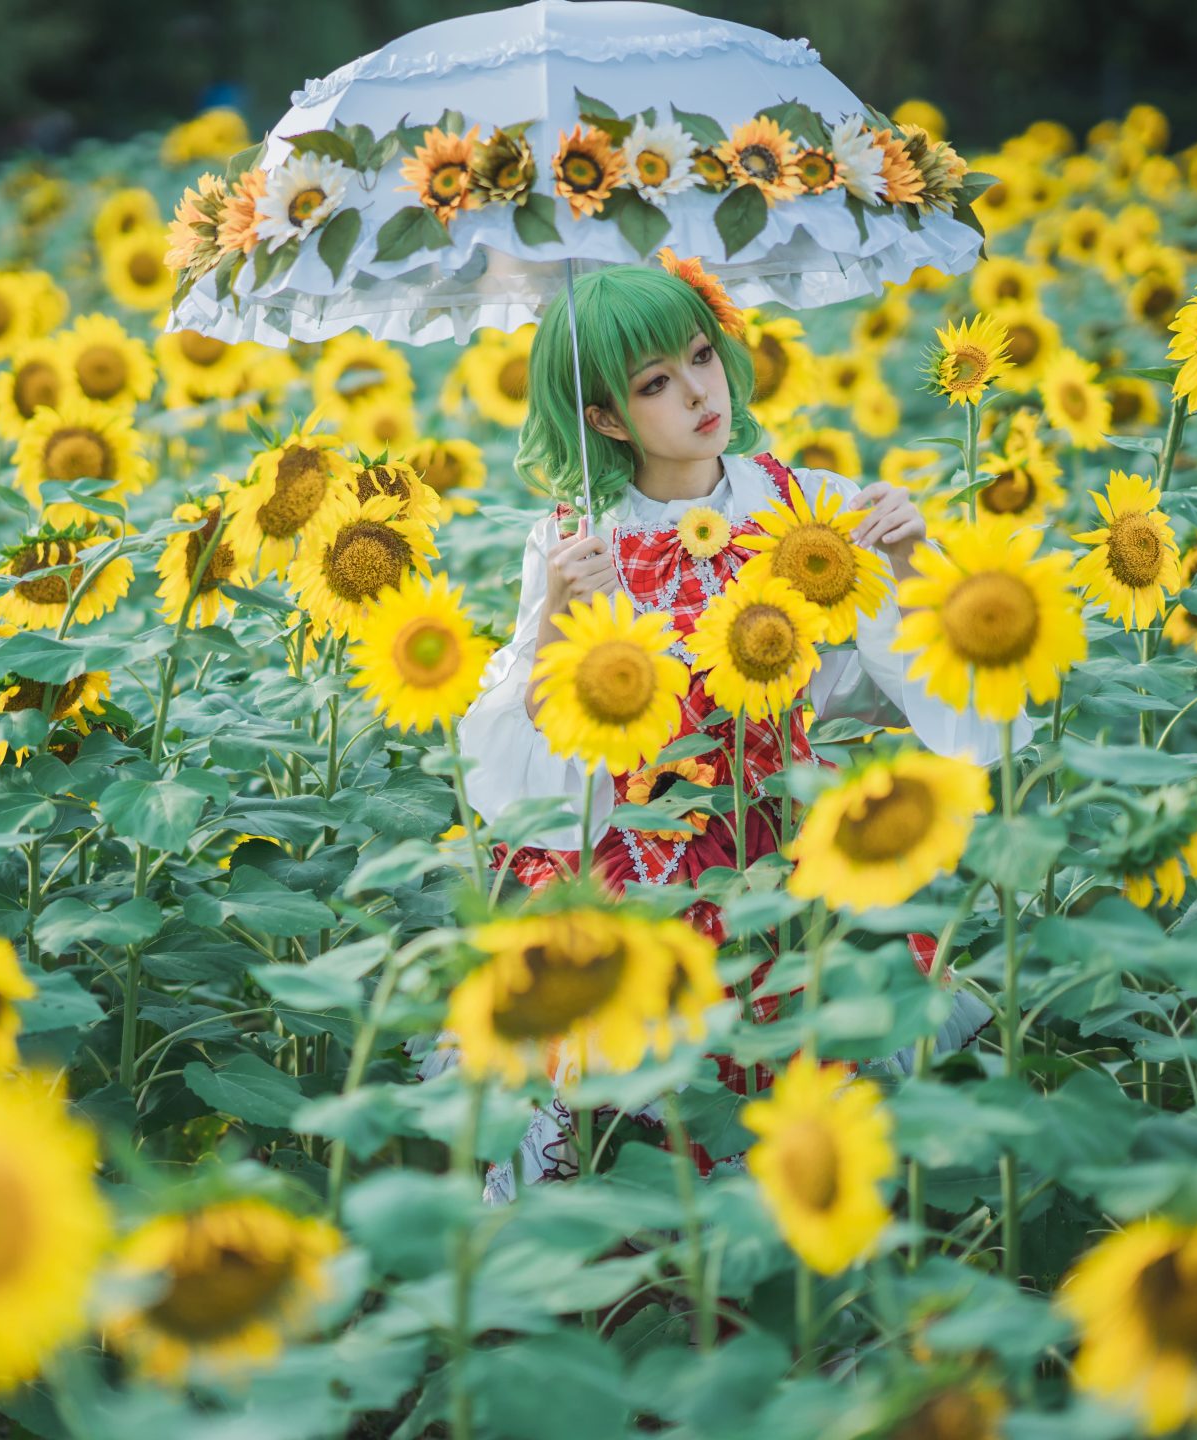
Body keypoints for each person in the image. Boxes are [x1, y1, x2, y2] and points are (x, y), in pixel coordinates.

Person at [429, 257, 1037, 1201]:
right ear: (603, 419)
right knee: (636, 1148)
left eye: (701, 357)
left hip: (790, 862)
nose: (698, 392)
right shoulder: (574, 540)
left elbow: (940, 703)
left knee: (805, 1135)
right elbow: (533, 783)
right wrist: (556, 620)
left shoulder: (806, 505)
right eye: (654, 384)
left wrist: (917, 560)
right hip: (642, 874)